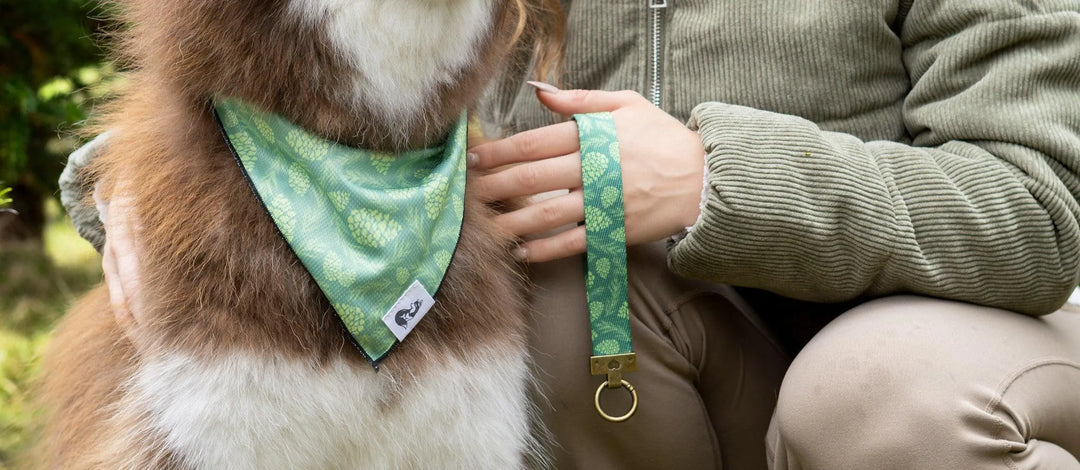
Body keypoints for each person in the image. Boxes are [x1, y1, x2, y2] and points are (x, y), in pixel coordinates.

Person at [63, 0, 1080, 468]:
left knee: (873, 397)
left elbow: (1042, 204)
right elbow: (311, 70)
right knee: (546, 313)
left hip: (930, 336)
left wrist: (719, 178)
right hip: (653, 349)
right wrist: (130, 194)